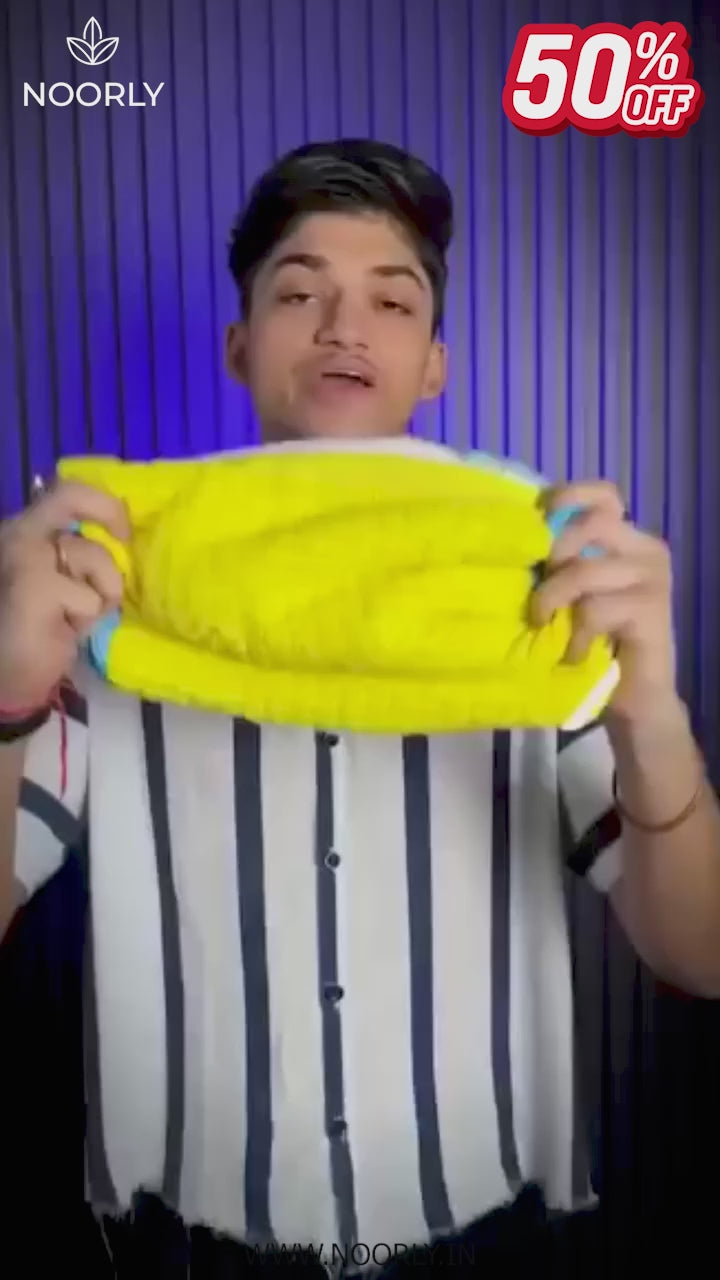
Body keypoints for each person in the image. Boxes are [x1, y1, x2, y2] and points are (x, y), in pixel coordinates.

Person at [1, 138, 720, 1275]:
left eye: (392, 301)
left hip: (478, 1223)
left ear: (433, 365)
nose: (345, 327)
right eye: (299, 294)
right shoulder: (106, 598)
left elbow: (703, 953)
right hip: (196, 1233)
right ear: (239, 345)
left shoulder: (551, 601)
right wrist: (3, 693)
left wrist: (652, 715)